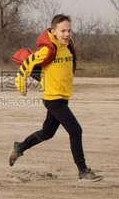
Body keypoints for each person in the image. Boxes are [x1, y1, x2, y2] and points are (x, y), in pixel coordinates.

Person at [9, 14, 102, 182]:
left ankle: (20, 147)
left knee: (47, 133)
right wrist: (21, 86)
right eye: (63, 31)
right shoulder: (47, 49)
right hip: (52, 99)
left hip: (63, 97)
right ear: (53, 31)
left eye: (69, 30)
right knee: (75, 130)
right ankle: (82, 170)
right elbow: (25, 65)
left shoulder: (68, 48)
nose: (67, 34)